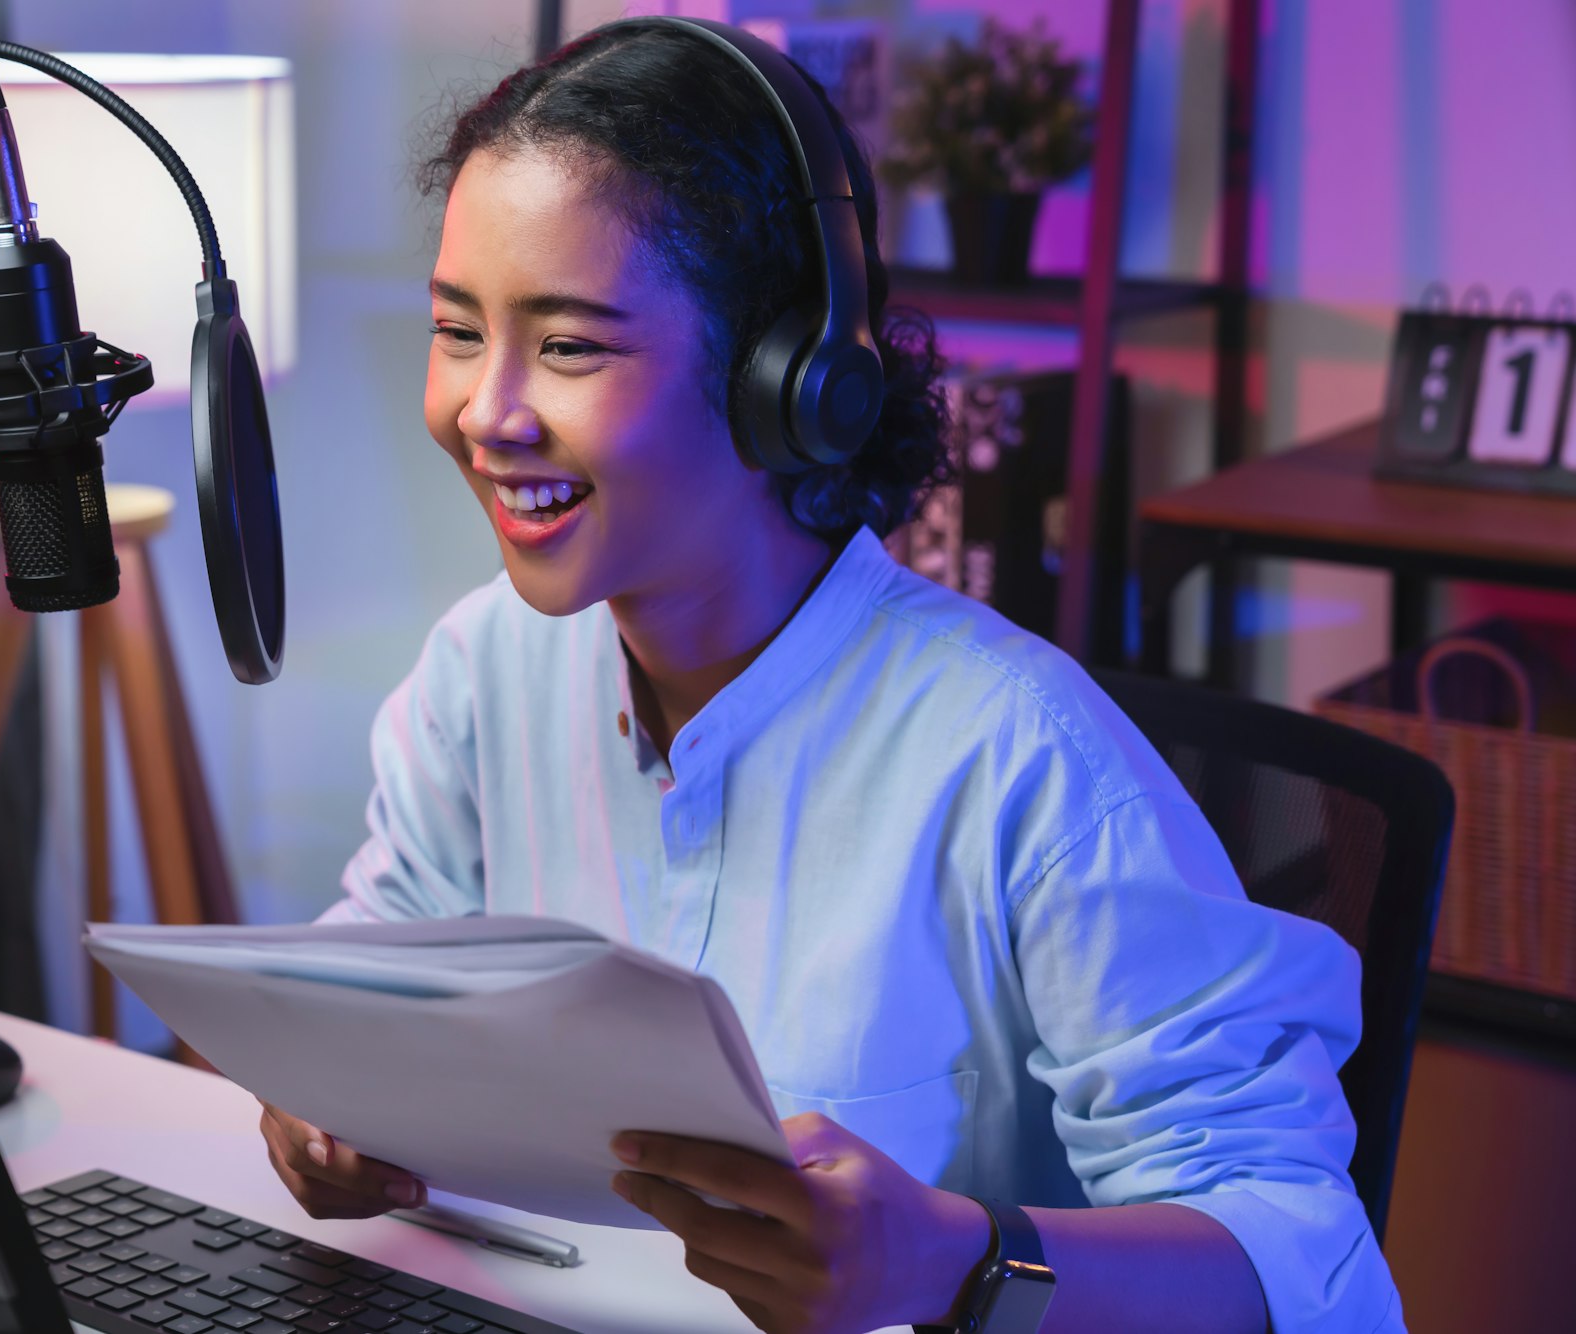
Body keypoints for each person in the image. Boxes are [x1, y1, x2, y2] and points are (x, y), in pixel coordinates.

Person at [256, 20, 1403, 1334]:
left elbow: (1304, 1257)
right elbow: (377, 956)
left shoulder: (1020, 755)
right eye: (459, 331)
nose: (486, 409)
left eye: (569, 346)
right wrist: (323, 1094)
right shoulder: (482, 669)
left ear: (782, 380)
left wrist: (963, 1266)